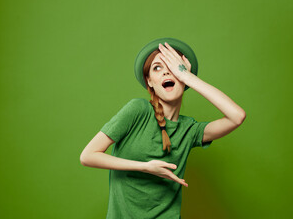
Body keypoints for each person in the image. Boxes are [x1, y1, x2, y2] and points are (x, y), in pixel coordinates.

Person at [80, 37, 246, 219]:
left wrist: (187, 77)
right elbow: (88, 156)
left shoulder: (190, 130)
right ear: (149, 81)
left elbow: (237, 116)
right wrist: (145, 167)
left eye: (173, 67)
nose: (167, 72)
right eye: (157, 67)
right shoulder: (138, 111)